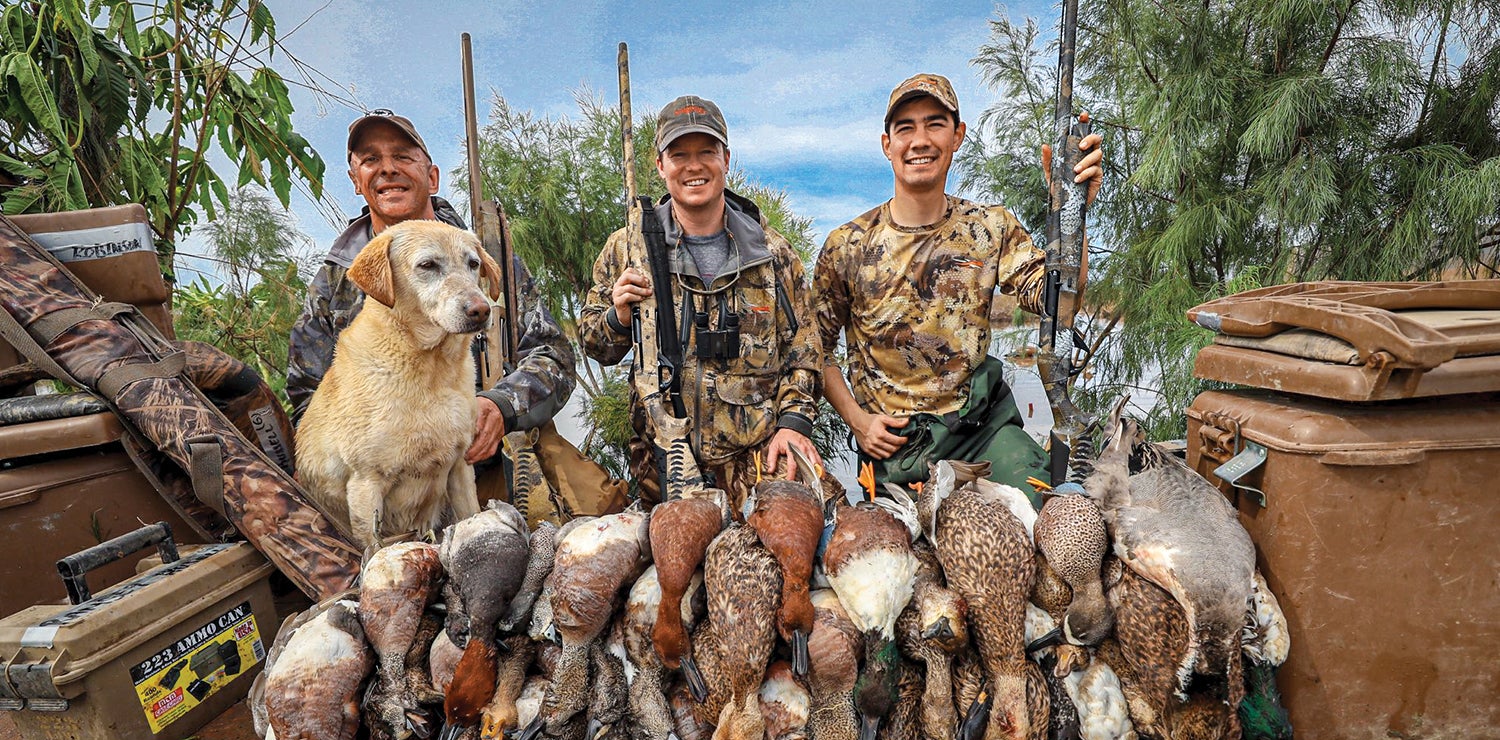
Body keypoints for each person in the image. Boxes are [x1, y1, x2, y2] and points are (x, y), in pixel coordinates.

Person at [814, 74, 1102, 502]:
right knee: (900, 554)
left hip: (982, 432)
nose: (920, 140)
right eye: (905, 128)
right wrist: (857, 421)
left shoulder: (990, 227)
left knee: (1039, 509)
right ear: (886, 144)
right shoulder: (848, 245)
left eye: (935, 124)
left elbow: (1059, 307)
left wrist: (1073, 210)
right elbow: (813, 349)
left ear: (958, 136)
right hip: (895, 445)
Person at [286, 109, 575, 465]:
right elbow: (307, 397)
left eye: (403, 157)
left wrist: (501, 407)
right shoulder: (336, 280)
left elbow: (555, 357)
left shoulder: (483, 255)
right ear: (356, 181)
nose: (388, 168)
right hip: (384, 478)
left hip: (489, 463)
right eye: (371, 159)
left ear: (432, 177)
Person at [578, 96, 823, 506]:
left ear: (726, 158)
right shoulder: (628, 248)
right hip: (664, 462)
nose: (694, 166)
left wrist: (794, 423)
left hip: (758, 457)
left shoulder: (772, 253)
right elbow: (593, 343)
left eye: (706, 152)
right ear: (660, 165)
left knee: (825, 533)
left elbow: (805, 348)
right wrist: (619, 316)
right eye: (679, 154)